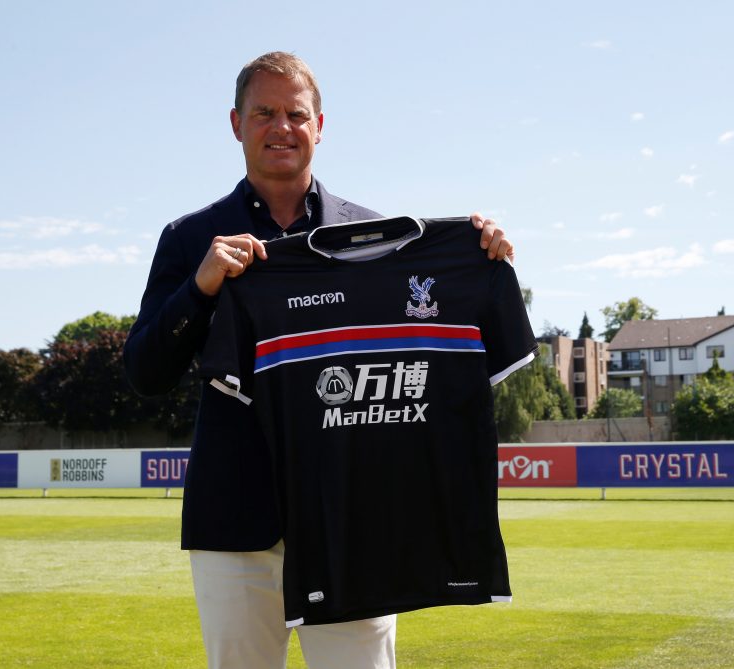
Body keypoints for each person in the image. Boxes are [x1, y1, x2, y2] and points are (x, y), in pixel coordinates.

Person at [124, 51, 514, 669]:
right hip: (235, 520)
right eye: (264, 113)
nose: (281, 127)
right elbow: (144, 373)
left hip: (354, 516)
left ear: (320, 125)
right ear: (235, 124)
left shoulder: (381, 234)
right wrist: (198, 290)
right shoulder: (189, 238)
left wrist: (483, 257)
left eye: (295, 114)